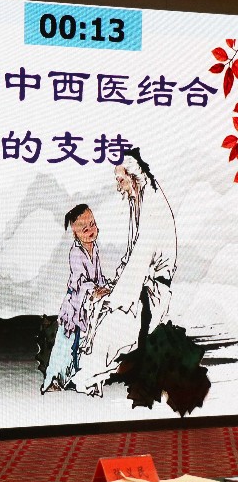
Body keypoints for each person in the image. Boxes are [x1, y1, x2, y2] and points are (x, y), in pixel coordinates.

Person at [76, 148, 177, 396]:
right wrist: (113, 286)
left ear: (133, 177)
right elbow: (131, 256)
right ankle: (91, 373)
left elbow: (140, 260)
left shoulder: (152, 206)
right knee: (97, 307)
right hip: (138, 285)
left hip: (153, 291)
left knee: (110, 323)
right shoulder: (139, 200)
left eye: (120, 180)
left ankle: (91, 377)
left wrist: (114, 297)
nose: (119, 187)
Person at [41, 204, 109, 393]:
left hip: (88, 303)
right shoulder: (76, 252)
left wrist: (105, 286)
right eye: (85, 229)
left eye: (93, 224)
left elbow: (98, 276)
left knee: (82, 343)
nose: (91, 231)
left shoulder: (94, 248)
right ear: (75, 233)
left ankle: (77, 377)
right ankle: (54, 380)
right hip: (75, 303)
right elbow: (80, 281)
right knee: (66, 342)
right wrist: (94, 290)